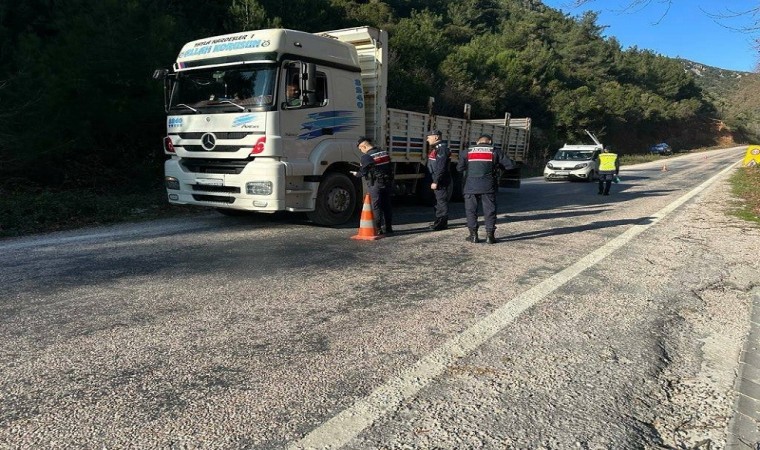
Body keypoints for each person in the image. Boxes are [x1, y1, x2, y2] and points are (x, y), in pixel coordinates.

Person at [456, 134, 515, 244]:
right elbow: (510, 165)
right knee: (489, 210)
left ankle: (473, 236)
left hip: (470, 186)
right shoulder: (495, 151)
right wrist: (498, 166)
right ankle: (490, 236)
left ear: (477, 142)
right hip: (488, 186)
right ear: (490, 142)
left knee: (471, 211)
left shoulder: (467, 151)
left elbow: (459, 168)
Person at [351, 136, 394, 234]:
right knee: (387, 205)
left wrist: (356, 174)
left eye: (360, 149)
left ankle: (378, 229)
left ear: (364, 146)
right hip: (387, 182)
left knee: (376, 206)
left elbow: (363, 172)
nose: (361, 151)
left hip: (375, 184)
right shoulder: (383, 152)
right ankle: (389, 228)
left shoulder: (366, 156)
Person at [425, 129, 451, 231]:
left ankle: (442, 223)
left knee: (441, 202)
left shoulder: (442, 149)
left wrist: (436, 181)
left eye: (429, 137)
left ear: (436, 137)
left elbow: (441, 167)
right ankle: (438, 221)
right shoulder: (436, 148)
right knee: (437, 201)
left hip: (441, 180)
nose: (427, 139)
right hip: (436, 178)